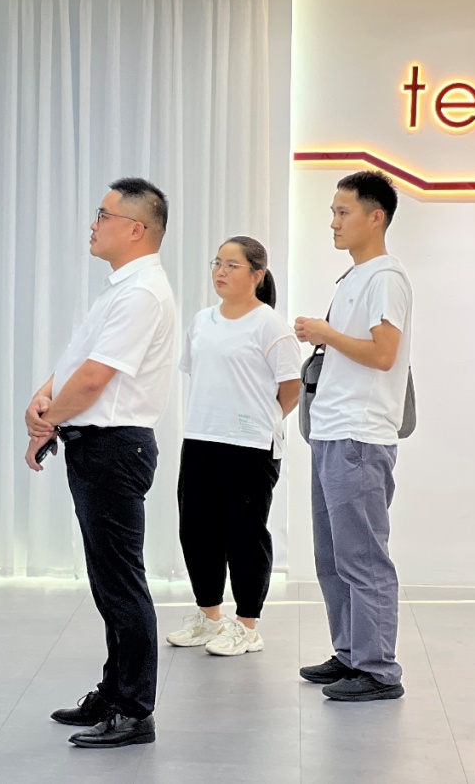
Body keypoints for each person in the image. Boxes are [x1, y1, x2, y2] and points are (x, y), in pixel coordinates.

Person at [25, 178, 175, 749]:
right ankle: (114, 692)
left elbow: (94, 379)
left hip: (115, 447)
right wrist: (44, 399)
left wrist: (47, 422)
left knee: (120, 583)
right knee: (108, 581)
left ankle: (134, 710)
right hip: (97, 444)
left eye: (103, 214)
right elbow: (77, 364)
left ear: (135, 228)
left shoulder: (142, 294)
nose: (93, 224)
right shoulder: (121, 290)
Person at [295, 170, 412, 702]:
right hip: (333, 431)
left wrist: (326, 334)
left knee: (363, 557)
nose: (334, 222)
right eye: (333, 213)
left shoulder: (386, 277)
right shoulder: (355, 278)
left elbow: (383, 354)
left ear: (376, 217)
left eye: (343, 212)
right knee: (333, 556)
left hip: (359, 436)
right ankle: (350, 653)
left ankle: (378, 669)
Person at [166, 237, 300, 656]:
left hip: (251, 446)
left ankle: (246, 626)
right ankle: (209, 618)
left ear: (257, 275)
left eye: (232, 265)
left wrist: (258, 420)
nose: (220, 272)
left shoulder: (270, 326)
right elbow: (200, 376)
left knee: (244, 535)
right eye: (217, 263)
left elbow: (290, 390)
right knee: (197, 532)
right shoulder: (202, 321)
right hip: (201, 439)